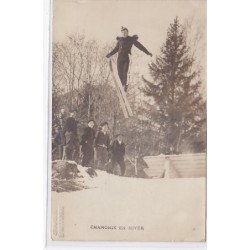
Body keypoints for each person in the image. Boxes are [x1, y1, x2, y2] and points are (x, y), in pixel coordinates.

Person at [106, 26, 152, 91]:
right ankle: (121, 86)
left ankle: (125, 85)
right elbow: (116, 49)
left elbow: (140, 46)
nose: (124, 34)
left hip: (126, 58)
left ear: (127, 32)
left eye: (125, 32)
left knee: (125, 72)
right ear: (121, 33)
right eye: (123, 33)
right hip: (119, 58)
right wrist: (109, 54)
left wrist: (147, 52)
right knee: (120, 73)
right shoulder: (120, 40)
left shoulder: (131, 39)